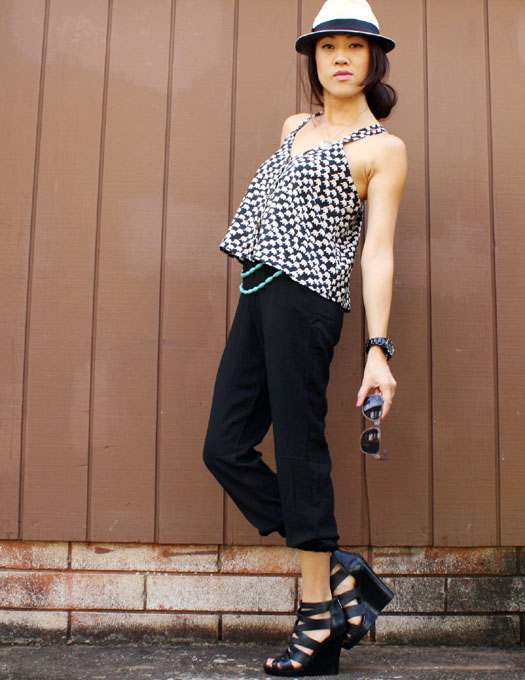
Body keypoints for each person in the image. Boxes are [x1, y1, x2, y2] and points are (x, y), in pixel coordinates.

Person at [203, 0, 407, 675]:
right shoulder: (295, 126)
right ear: (312, 59)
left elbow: (377, 253)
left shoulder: (382, 149)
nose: (340, 57)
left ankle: (318, 618)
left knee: (298, 449)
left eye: (354, 46)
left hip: (309, 302)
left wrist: (378, 350)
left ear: (373, 60)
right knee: (224, 448)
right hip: (258, 293)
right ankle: (342, 567)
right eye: (327, 46)